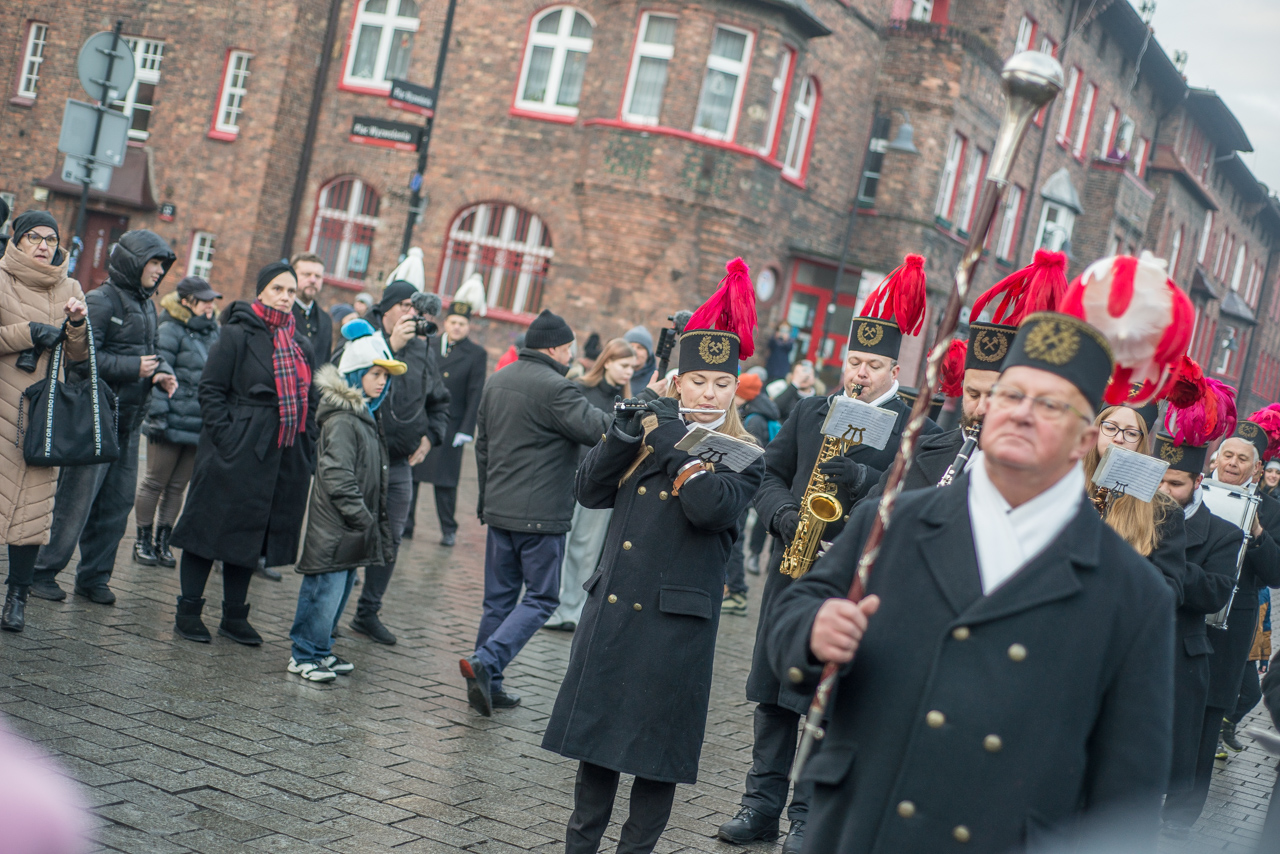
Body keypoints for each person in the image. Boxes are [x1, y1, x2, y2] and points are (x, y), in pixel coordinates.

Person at [768, 309, 1178, 852]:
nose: (1022, 413)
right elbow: (794, 616)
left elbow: (1128, 798)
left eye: (1049, 405)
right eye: (1011, 395)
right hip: (863, 828)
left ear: (1085, 439)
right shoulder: (890, 522)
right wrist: (813, 629)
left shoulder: (1135, 594)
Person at [544, 258, 766, 854]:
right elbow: (589, 491)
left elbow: (709, 507)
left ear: (734, 389)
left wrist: (668, 437)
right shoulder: (650, 428)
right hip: (616, 612)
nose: (709, 393)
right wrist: (624, 431)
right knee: (596, 753)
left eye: (721, 384)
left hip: (675, 630)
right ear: (677, 382)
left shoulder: (745, 453)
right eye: (698, 381)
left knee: (655, 762)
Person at [721, 255, 938, 854]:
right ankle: (760, 806)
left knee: (827, 700)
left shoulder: (915, 427)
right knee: (773, 693)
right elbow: (769, 473)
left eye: (873, 365)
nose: (860, 374)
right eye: (854, 362)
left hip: (855, 579)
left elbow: (914, 499)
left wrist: (863, 478)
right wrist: (783, 516)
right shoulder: (812, 408)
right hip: (793, 568)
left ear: (895, 368)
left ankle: (806, 817)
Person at [461, 309, 612, 716]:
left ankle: (489, 682)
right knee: (543, 597)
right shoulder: (556, 388)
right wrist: (646, 403)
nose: (571, 356)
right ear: (553, 348)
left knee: (498, 601)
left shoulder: (498, 380)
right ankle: (486, 662)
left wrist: (486, 502)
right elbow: (600, 428)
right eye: (568, 348)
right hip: (540, 517)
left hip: (499, 511)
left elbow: (482, 447)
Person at [169, 262, 317, 645]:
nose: (285, 297)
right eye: (278, 289)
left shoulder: (300, 344)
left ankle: (234, 616)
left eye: (291, 291)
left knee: (248, 534)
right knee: (208, 527)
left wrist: (308, 445)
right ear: (261, 291)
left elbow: (310, 400)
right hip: (234, 449)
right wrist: (228, 436)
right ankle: (188, 612)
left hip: (278, 453)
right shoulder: (236, 333)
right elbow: (210, 389)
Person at [29, 229, 176, 606]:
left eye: (162, 264)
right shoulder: (100, 300)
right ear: (134, 262)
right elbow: (79, 359)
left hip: (129, 425)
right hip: (94, 422)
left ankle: (93, 578)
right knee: (75, 503)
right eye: (154, 262)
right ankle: (42, 572)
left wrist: (161, 372)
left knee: (116, 506)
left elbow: (153, 353)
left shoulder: (148, 305)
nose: (159, 271)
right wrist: (133, 368)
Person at [1164, 412, 1280, 827]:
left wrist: (1260, 533)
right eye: (1227, 455)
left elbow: (1276, 574)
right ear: (1214, 460)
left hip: (1230, 626)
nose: (1232, 463)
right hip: (1183, 613)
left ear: (1256, 470)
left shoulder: (1271, 509)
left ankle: (1181, 817)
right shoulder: (1187, 490)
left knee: (1207, 717)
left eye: (1242, 459)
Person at [1149, 373, 1241, 835]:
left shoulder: (1223, 533)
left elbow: (1216, 592)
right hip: (1129, 641)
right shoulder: (1132, 511)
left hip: (1179, 652)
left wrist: (1162, 556)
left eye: (1177, 483)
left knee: (1170, 756)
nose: (1166, 492)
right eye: (1160, 481)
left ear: (1198, 480)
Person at [335, 281, 449, 645]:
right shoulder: (363, 339)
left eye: (416, 307)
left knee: (390, 539)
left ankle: (367, 613)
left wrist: (431, 437)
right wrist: (391, 346)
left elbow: (439, 402)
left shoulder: (423, 348)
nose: (411, 313)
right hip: (360, 458)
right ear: (385, 308)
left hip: (399, 464)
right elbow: (338, 382)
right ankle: (329, 613)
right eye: (403, 305)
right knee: (350, 534)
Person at [288, 329, 404, 682]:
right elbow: (337, 475)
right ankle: (304, 654)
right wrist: (361, 517)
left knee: (338, 591)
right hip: (337, 524)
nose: (382, 381)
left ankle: (321, 649)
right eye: (375, 373)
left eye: (385, 376)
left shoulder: (363, 416)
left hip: (351, 525)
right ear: (355, 375)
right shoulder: (342, 420)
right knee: (323, 590)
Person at [0, 211, 90, 632]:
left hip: (43, 416)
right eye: (34, 237)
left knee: (33, 511)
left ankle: (17, 597)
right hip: (2, 407)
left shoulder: (70, 287)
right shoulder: (1, 278)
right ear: (17, 239)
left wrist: (77, 324)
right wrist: (30, 332)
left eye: (50, 239)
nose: (43, 245)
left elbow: (79, 356)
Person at [545, 337, 637, 631]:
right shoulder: (579, 389)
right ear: (607, 361)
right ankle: (549, 606)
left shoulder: (628, 402)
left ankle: (572, 610)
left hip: (602, 485)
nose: (628, 372)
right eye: (624, 365)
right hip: (570, 477)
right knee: (560, 545)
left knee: (586, 551)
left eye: (632, 367)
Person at [133, 276, 222, 569]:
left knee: (177, 487)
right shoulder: (170, 328)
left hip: (198, 424)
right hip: (168, 421)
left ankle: (163, 542)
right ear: (186, 301)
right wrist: (158, 417)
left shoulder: (214, 332)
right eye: (204, 300)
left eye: (211, 300)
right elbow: (159, 373)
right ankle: (142, 540)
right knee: (155, 482)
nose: (210, 305)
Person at [412, 286, 488, 546]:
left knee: (445, 481)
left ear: (468, 326)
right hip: (422, 419)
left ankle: (448, 529)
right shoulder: (429, 344)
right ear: (446, 323)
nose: (457, 327)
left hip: (451, 425)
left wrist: (466, 430)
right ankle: (406, 524)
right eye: (453, 322)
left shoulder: (476, 354)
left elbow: (475, 394)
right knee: (412, 474)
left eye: (462, 324)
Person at [722, 372, 778, 617]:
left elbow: (751, 455)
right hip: (744, 485)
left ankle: (737, 593)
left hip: (742, 487)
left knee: (735, 540)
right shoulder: (760, 412)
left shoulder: (754, 420)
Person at [290, 252, 331, 366]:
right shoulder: (281, 313)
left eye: (317, 276)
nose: (313, 280)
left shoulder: (326, 320)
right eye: (306, 274)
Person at [771, 360, 816, 424]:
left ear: (814, 378)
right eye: (799, 373)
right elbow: (774, 409)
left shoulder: (818, 400)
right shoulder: (787, 396)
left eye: (808, 372)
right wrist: (795, 384)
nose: (804, 376)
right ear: (791, 376)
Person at [625, 325, 656, 394]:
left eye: (640, 348)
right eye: (630, 346)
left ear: (648, 354)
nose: (634, 351)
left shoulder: (656, 379)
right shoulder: (614, 375)